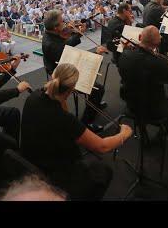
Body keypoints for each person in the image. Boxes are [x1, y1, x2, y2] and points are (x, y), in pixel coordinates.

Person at [20, 63, 132, 200]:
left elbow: (59, 107)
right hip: (51, 173)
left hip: (30, 162)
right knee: (103, 171)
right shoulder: (65, 120)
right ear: (72, 88)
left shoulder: (33, 97)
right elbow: (102, 146)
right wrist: (123, 134)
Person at [41, 9, 107, 132]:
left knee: (95, 86)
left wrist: (76, 33)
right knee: (98, 89)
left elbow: (65, 44)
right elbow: (66, 51)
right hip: (60, 72)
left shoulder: (52, 34)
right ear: (55, 27)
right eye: (62, 22)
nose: (66, 24)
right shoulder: (51, 44)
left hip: (62, 62)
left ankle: (94, 103)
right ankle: (86, 123)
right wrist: (93, 53)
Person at [118, 26, 168, 134]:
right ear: (158, 42)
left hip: (130, 102)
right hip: (152, 108)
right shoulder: (157, 62)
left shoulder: (125, 54)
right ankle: (162, 135)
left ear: (140, 37)